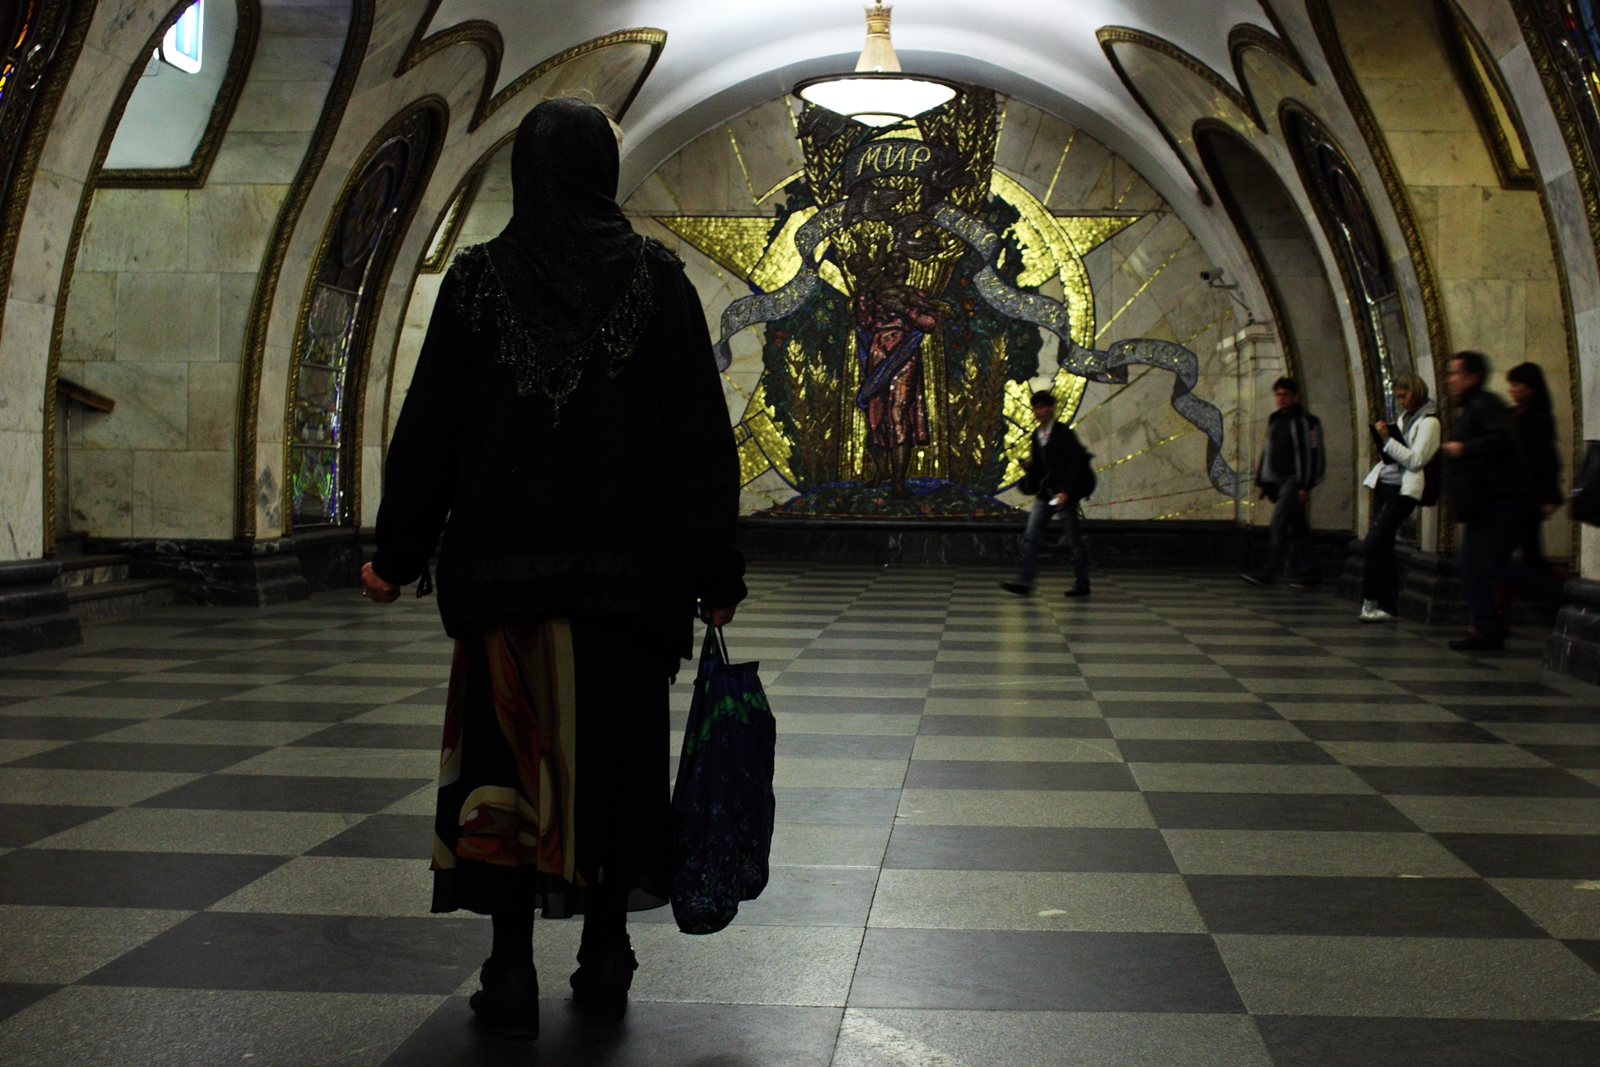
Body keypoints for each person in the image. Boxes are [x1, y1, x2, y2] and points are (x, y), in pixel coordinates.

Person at [359, 98, 746, 1038]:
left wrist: (397, 552)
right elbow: (700, 441)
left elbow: (431, 431)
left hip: (505, 591)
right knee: (613, 770)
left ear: (524, 173)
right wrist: (715, 571)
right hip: (627, 591)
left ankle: (509, 968)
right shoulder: (660, 283)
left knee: (507, 774)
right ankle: (605, 950)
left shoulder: (474, 283)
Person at [1441, 351, 1520, 651]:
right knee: (1473, 567)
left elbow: (1501, 440)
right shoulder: (1472, 406)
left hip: (1495, 502)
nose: (1449, 380)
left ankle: (1559, 593)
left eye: (1455, 373)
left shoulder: (1484, 404)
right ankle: (1488, 630)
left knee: (1488, 567)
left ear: (1473, 376)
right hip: (1483, 503)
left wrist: (1464, 448)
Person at [1358, 373, 1440, 622]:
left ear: (1417, 391)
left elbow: (1415, 460)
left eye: (1404, 396)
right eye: (1398, 398)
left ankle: (1371, 600)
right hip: (1386, 483)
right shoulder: (1405, 419)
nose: (1401, 402)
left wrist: (1387, 439)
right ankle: (1386, 604)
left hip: (1404, 490)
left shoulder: (1430, 422)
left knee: (1373, 542)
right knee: (1383, 545)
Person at [1002, 389, 1093, 598]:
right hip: (1046, 494)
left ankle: (1082, 582)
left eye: (1041, 407)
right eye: (1035, 408)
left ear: (1050, 408)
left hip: (1063, 495)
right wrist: (1030, 467)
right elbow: (1042, 467)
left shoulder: (1062, 433)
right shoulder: (1037, 435)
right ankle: (1025, 581)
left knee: (1073, 540)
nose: (1038, 412)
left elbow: (1074, 465)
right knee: (1031, 536)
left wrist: (1065, 492)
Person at [1243, 377, 1324, 588]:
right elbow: (1268, 449)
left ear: (1295, 396)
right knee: (1299, 528)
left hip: (1294, 479)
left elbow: (1311, 455)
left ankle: (1268, 572)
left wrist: (1305, 485)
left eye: (1285, 394)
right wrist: (1264, 479)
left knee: (1278, 524)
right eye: (1278, 394)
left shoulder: (1305, 421)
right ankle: (1311, 573)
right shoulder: (1275, 419)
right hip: (1278, 478)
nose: (1281, 398)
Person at [1505, 361, 1565, 590]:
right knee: (1530, 557)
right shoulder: (1515, 415)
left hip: (1528, 497)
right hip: (1518, 496)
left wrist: (1550, 497)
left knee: (1509, 556)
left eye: (1516, 385)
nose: (1511, 390)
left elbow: (1547, 459)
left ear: (1530, 387)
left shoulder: (1536, 417)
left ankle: (1565, 594)